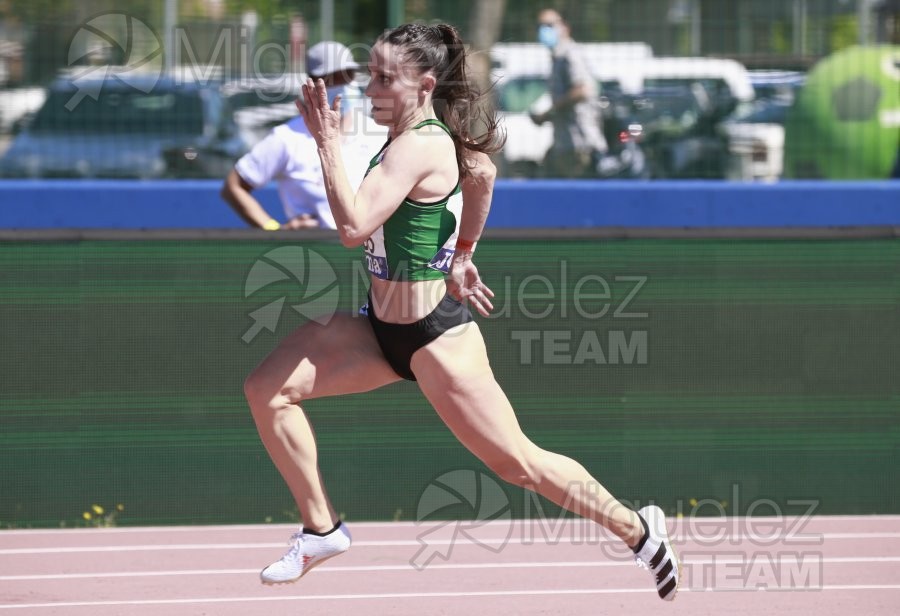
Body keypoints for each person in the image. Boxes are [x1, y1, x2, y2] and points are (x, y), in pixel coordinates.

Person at [244, 23, 680, 602]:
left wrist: (323, 140)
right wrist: (463, 253)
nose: (368, 88)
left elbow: (352, 229)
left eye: (382, 78)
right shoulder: (415, 135)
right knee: (267, 390)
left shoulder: (420, 143)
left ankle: (638, 529)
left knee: (518, 464)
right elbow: (482, 174)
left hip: (434, 339)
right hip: (377, 330)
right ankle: (321, 529)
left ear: (424, 85)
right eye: (368, 74)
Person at [221, 41, 383, 230]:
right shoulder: (287, 138)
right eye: (332, 78)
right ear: (312, 82)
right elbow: (234, 186)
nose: (342, 85)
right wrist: (275, 230)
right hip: (314, 254)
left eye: (348, 76)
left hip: (370, 254)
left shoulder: (380, 133)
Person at [529, 8, 608, 178]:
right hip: (564, 143)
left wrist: (549, 111)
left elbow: (583, 90)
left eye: (549, 25)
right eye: (540, 26)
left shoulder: (570, 54)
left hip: (579, 144)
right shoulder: (556, 58)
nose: (544, 30)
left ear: (565, 27)